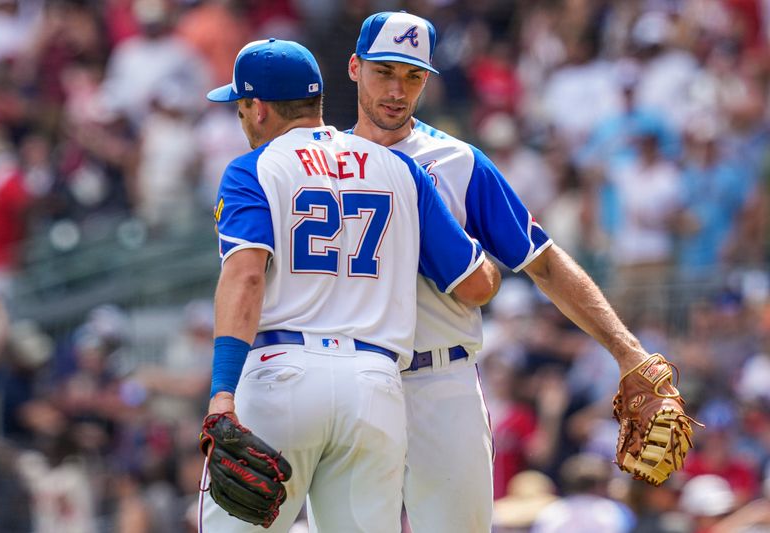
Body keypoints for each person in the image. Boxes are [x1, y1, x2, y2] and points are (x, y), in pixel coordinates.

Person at [336, 11, 667, 533]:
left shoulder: (458, 161)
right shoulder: (320, 162)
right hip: (348, 380)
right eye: (385, 72)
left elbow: (545, 263)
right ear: (355, 68)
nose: (398, 89)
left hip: (438, 379)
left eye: (413, 75)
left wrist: (629, 353)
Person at [198, 38, 501, 533]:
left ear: (256, 109)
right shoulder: (400, 168)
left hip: (280, 374)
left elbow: (247, 275)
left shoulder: (253, 170)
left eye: (239, 106)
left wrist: (222, 394)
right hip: (373, 384)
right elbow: (474, 285)